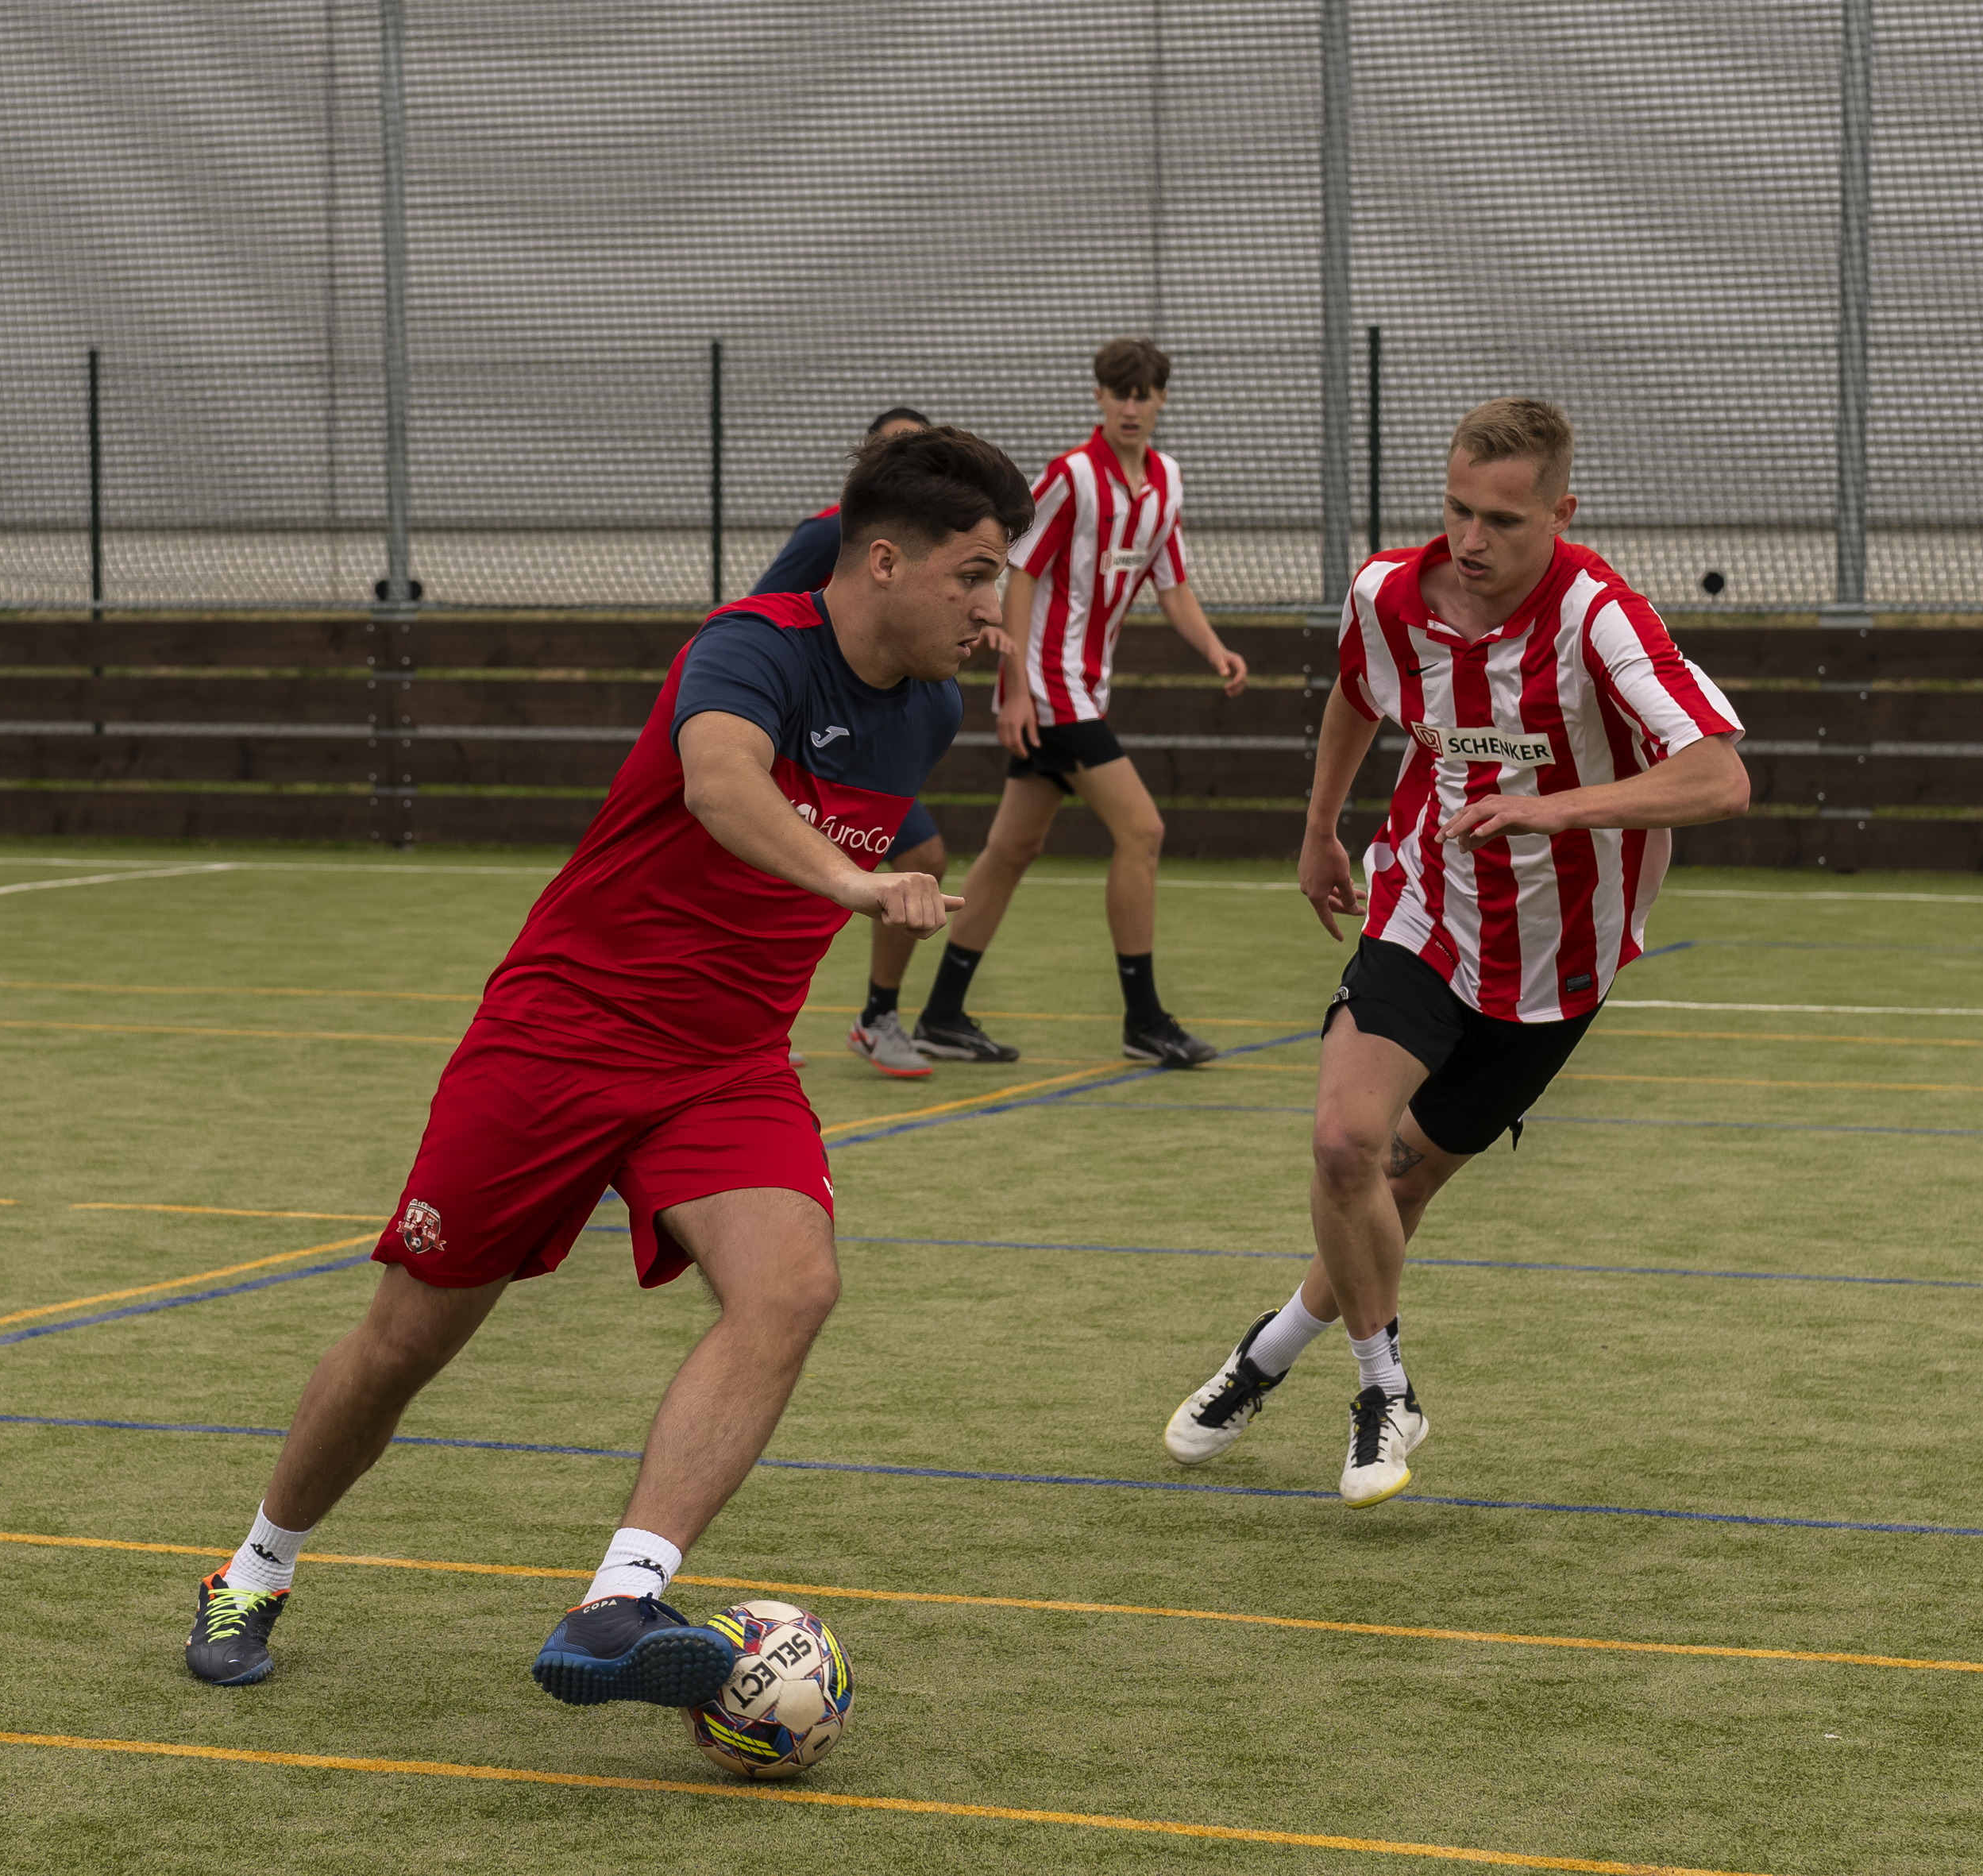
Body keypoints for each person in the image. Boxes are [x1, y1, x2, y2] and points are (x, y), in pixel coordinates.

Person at [183, 426, 1036, 1700]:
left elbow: (851, 772)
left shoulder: (927, 708)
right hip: (559, 1037)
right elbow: (717, 786)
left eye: (999, 575)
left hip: (725, 1063)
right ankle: (253, 1567)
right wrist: (857, 877)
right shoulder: (748, 647)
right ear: (882, 562)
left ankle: (617, 1604)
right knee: (406, 1341)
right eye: (973, 573)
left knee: (792, 1285)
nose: (995, 604)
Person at [1159, 397, 1750, 1507]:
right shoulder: (1391, 592)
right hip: (1420, 907)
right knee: (1344, 1143)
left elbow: (1718, 777)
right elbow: (1352, 690)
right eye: (1456, 511)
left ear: (1560, 514)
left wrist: (1555, 810)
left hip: (1558, 961)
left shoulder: (1599, 617)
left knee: (1399, 1180)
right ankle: (1384, 1388)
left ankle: (1268, 1351)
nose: (1471, 542)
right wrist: (1318, 821)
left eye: (1502, 521)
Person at [909, 336, 1248, 1070]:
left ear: (1161, 399)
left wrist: (1214, 648)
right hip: (1052, 688)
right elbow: (1021, 574)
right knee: (1144, 831)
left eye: (1143, 393)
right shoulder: (1069, 476)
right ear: (1098, 397)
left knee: (1010, 850)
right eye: (1117, 392)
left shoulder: (1167, 483)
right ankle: (1145, 1020)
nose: (1130, 406)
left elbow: (1173, 584)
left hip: (1084, 687)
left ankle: (939, 1014)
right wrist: (1016, 687)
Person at [751, 404, 974, 1081]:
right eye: (895, 455)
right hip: (802, 750)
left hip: (865, 746)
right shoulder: (831, 535)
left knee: (924, 855)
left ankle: (877, 1016)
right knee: (766, 878)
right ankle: (747, 1026)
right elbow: (754, 616)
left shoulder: (938, 554)